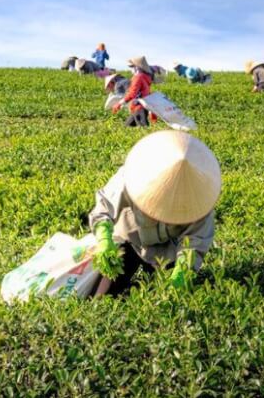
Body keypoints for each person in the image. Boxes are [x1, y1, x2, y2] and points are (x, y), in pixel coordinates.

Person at [89, 130, 221, 295]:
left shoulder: (200, 201)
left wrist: (181, 274)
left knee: (164, 297)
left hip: (168, 252)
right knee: (104, 295)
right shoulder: (131, 176)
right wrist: (104, 239)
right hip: (130, 240)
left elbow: (194, 244)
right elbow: (104, 206)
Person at [113, 56, 157, 126]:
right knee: (127, 127)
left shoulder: (138, 78)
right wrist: (151, 111)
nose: (131, 69)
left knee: (143, 129)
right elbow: (148, 94)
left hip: (139, 108)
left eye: (132, 67)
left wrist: (119, 103)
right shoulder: (145, 77)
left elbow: (132, 93)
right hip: (139, 108)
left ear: (137, 67)